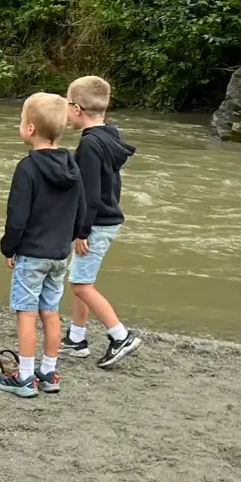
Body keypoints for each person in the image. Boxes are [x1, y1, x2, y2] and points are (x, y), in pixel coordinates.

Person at [0, 92, 87, 398]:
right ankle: (48, 373)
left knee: (26, 312)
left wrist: (9, 247)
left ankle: (23, 378)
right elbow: (81, 209)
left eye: (22, 120)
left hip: (32, 253)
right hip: (60, 254)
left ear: (31, 129)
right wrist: (76, 235)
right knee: (50, 311)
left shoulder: (28, 168)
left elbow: (17, 216)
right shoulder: (72, 166)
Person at [63, 75, 142, 369]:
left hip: (96, 223)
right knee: (81, 280)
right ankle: (76, 338)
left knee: (82, 285)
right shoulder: (110, 135)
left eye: (66, 105)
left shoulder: (89, 146)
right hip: (107, 219)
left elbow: (90, 194)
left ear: (77, 109)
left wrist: (81, 231)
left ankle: (120, 336)